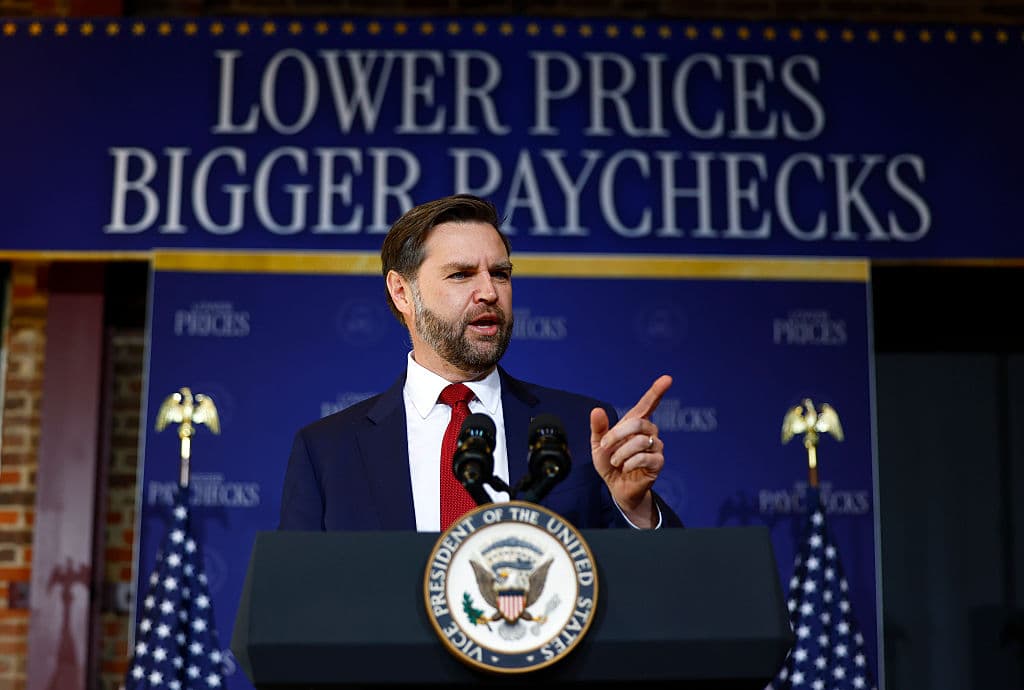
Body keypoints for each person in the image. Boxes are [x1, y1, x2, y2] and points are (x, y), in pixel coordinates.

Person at [279, 194, 682, 531]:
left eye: (501, 274)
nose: (489, 291)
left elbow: (657, 588)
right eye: (461, 275)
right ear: (403, 293)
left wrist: (635, 510)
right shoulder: (328, 451)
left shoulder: (577, 427)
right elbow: (294, 605)